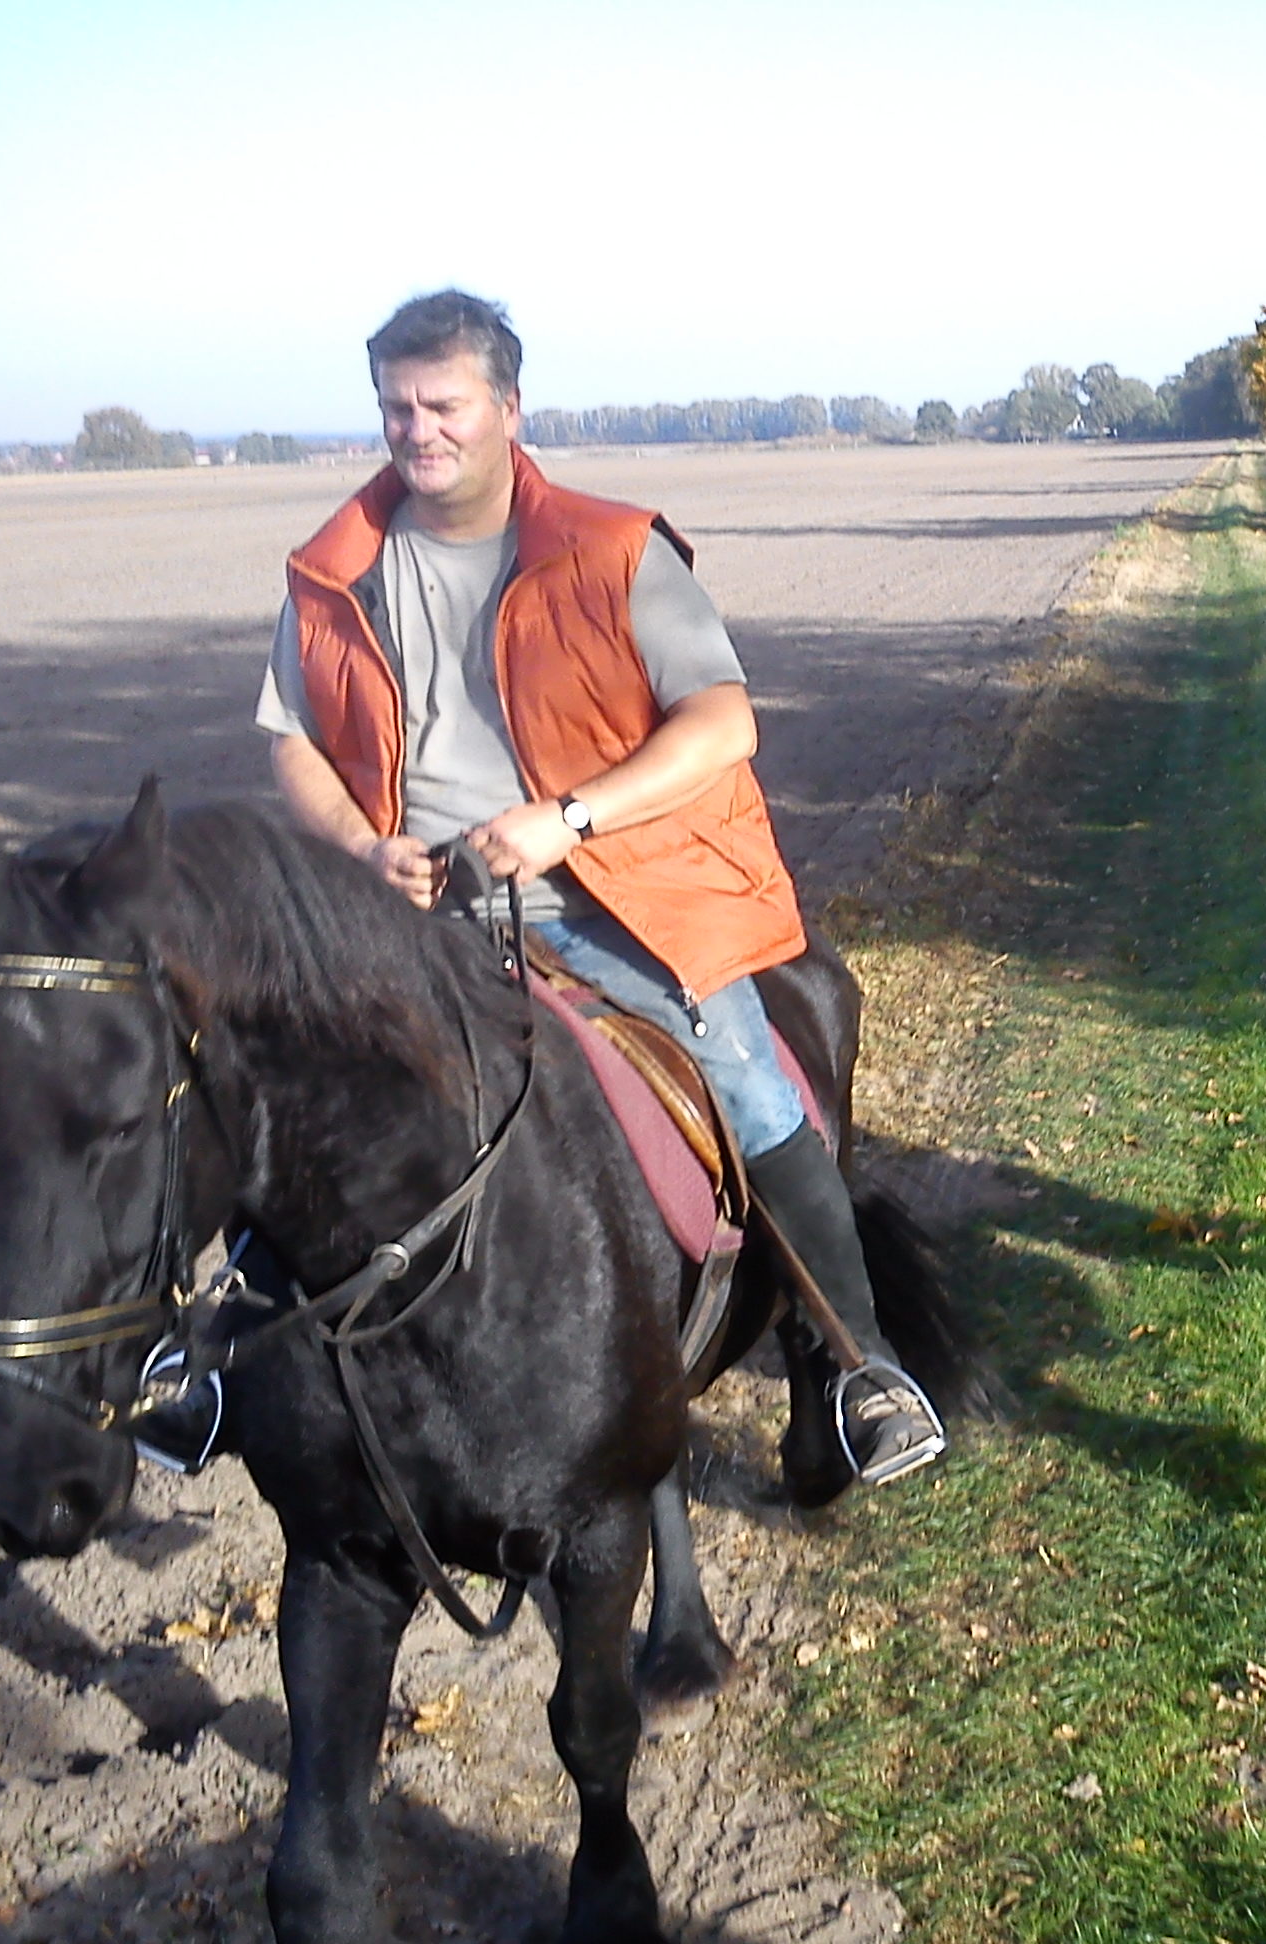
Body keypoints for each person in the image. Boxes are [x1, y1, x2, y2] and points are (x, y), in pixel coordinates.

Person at [254, 289, 944, 1486]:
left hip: (608, 894)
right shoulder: (333, 575)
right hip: (407, 911)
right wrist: (362, 852)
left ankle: (860, 1362)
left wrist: (566, 820)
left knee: (741, 1068)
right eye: (394, 407)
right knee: (255, 1074)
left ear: (508, 409)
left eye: (442, 405)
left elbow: (723, 722)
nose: (416, 430)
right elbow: (291, 745)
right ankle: (214, 1363)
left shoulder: (613, 549)